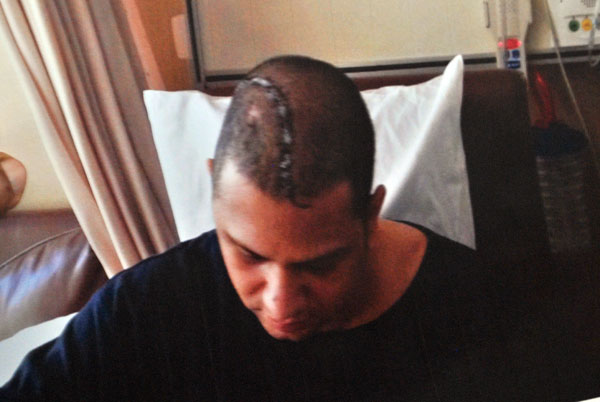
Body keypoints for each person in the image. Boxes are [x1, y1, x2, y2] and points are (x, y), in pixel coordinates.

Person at [0, 55, 594, 401]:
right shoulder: (147, 311)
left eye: (319, 263)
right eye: (249, 254)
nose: (280, 301)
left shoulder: (484, 313)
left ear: (371, 214)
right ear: (213, 196)